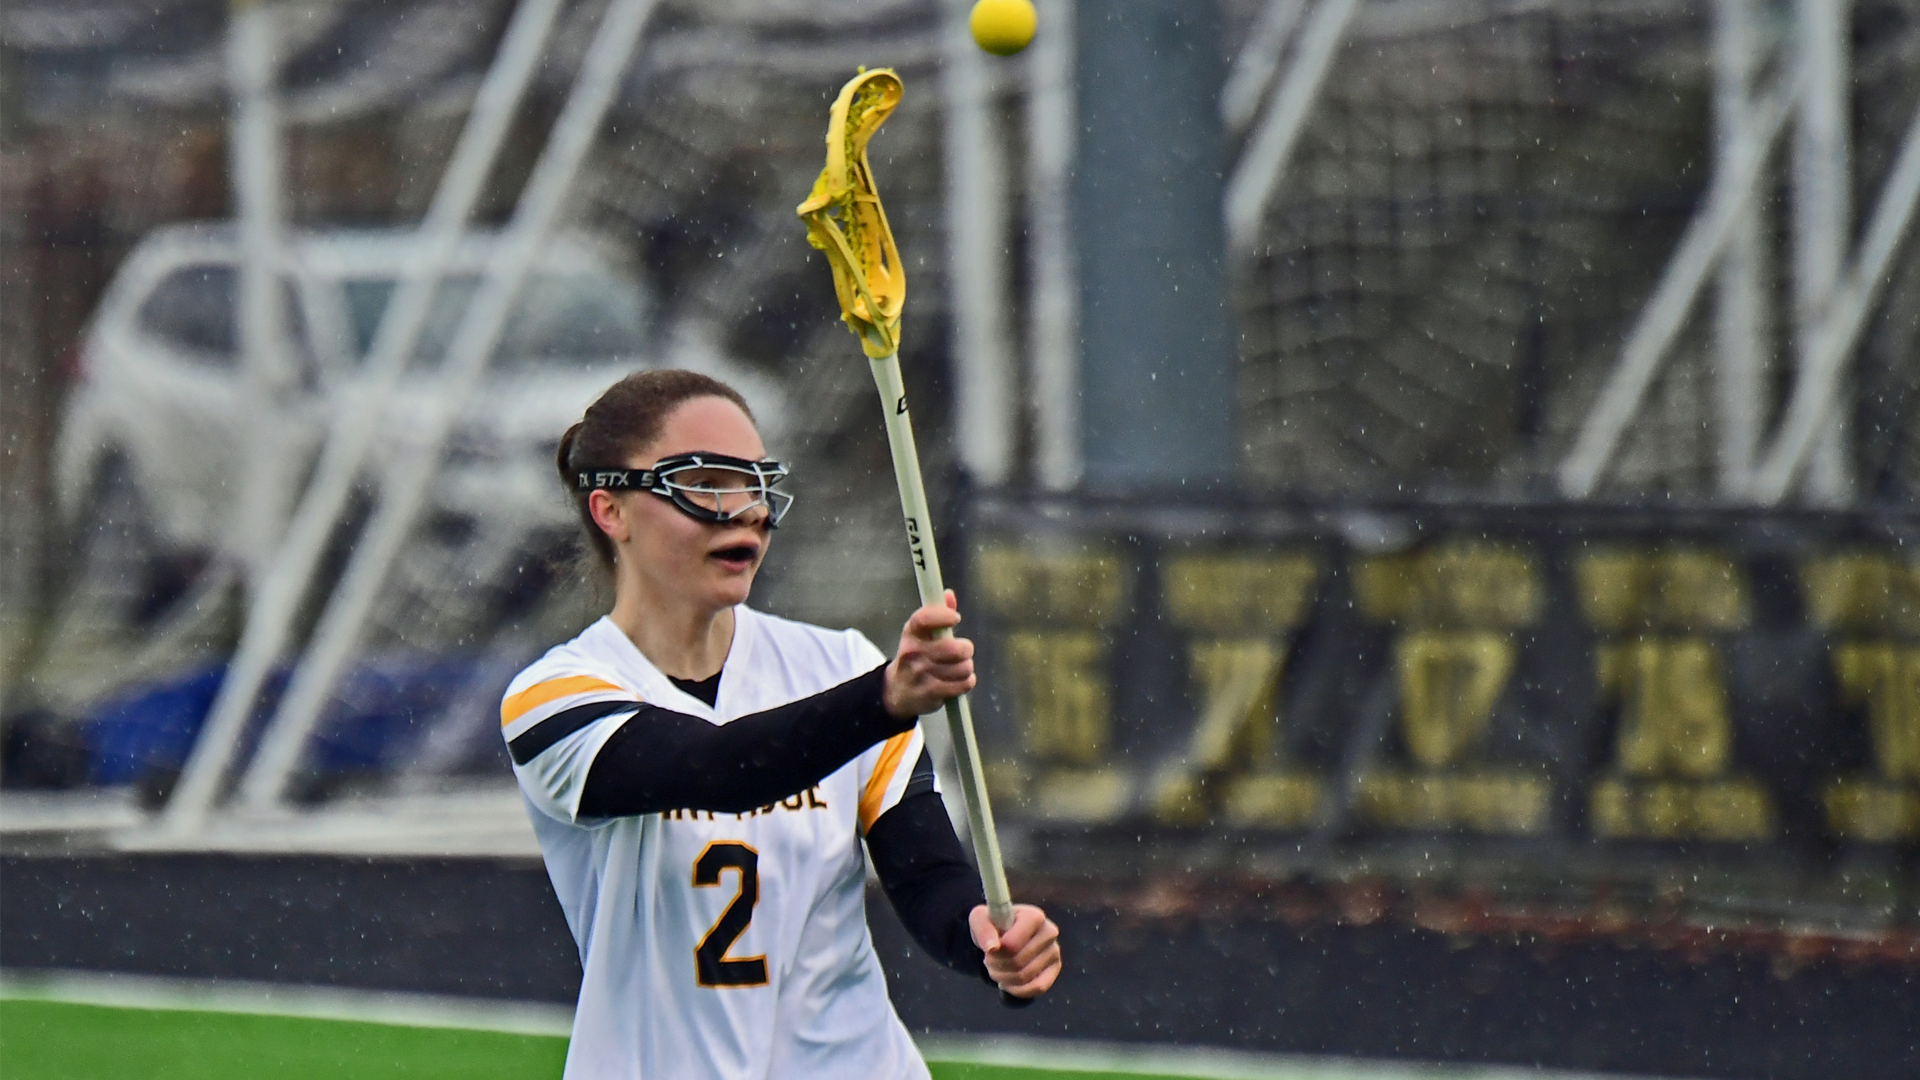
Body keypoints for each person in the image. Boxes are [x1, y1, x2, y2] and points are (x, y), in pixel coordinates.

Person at [504, 369, 1062, 1079]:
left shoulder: (837, 666)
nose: (743, 511)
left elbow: (925, 877)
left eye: (755, 484)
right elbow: (719, 768)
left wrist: (981, 936)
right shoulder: (554, 699)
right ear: (611, 509)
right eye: (704, 481)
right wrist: (885, 698)